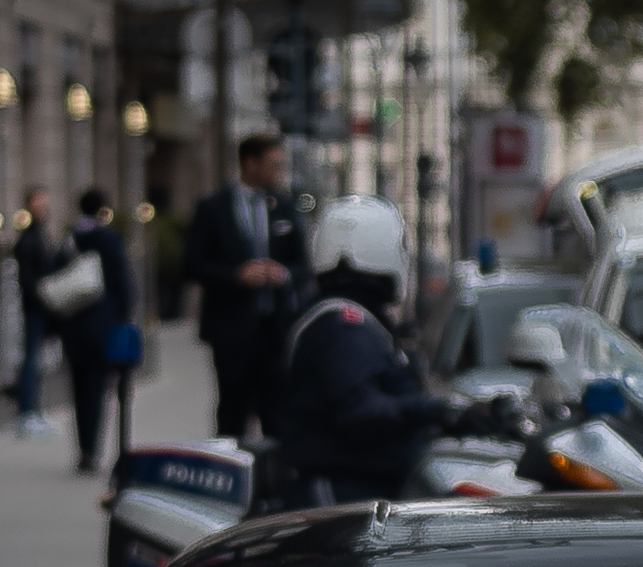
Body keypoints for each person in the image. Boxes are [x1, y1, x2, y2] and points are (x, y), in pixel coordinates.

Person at [279, 196, 473, 505]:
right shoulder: (344, 325)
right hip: (345, 499)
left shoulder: (352, 318)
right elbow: (361, 411)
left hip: (361, 489)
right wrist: (434, 410)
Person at [185, 135, 311, 439]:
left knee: (277, 412)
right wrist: (236, 276)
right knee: (232, 411)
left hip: (276, 330)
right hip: (231, 329)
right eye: (274, 165)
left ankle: (274, 480)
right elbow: (191, 265)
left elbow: (304, 264)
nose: (279, 172)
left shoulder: (285, 207)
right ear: (250, 163)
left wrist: (283, 274)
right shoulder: (213, 207)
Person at [57, 188, 137, 475]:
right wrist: (125, 316)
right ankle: (93, 449)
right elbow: (122, 282)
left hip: (74, 324)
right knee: (97, 389)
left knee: (78, 390)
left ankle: (83, 447)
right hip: (102, 324)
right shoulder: (108, 239)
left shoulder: (69, 238)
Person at [9, 186, 61, 437]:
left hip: (40, 306)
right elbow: (29, 279)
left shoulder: (40, 235)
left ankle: (32, 411)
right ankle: (27, 412)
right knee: (31, 360)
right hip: (35, 307)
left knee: (36, 360)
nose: (42, 208)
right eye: (38, 203)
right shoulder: (29, 239)